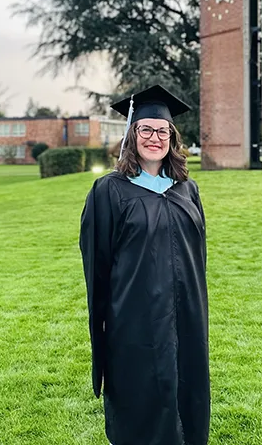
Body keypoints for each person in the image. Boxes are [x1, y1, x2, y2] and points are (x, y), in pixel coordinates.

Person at [78, 84, 209, 445]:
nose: (155, 137)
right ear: (131, 135)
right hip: (134, 320)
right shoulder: (109, 191)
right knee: (142, 397)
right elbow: (97, 267)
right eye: (146, 129)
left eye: (162, 130)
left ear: (172, 136)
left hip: (187, 317)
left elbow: (199, 257)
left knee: (187, 391)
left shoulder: (187, 189)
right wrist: (104, 325)